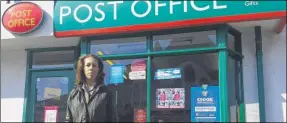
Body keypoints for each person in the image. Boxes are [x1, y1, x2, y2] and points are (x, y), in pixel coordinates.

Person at [65, 54, 117, 122]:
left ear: (99, 69)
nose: (91, 68)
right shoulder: (74, 93)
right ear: (83, 68)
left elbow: (113, 119)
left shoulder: (106, 93)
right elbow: (68, 119)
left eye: (94, 65)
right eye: (88, 65)